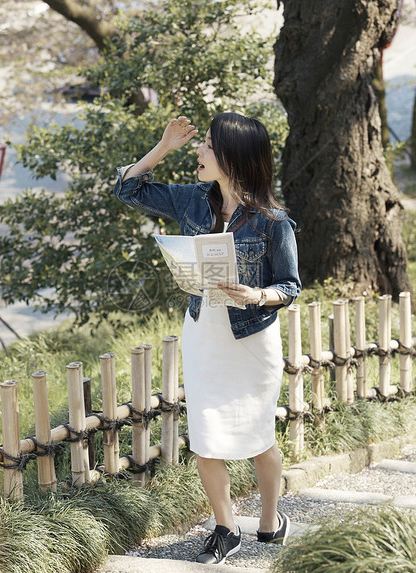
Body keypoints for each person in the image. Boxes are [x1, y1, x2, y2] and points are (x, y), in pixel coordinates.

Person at [113, 113, 301, 565]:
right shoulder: (193, 201)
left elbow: (290, 286)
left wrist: (257, 294)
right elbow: (127, 189)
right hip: (204, 335)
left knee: (259, 437)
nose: (199, 152)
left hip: (252, 340)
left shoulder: (273, 223)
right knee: (206, 436)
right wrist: (162, 147)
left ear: (233, 158)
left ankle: (271, 521)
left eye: (208, 147)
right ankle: (225, 526)